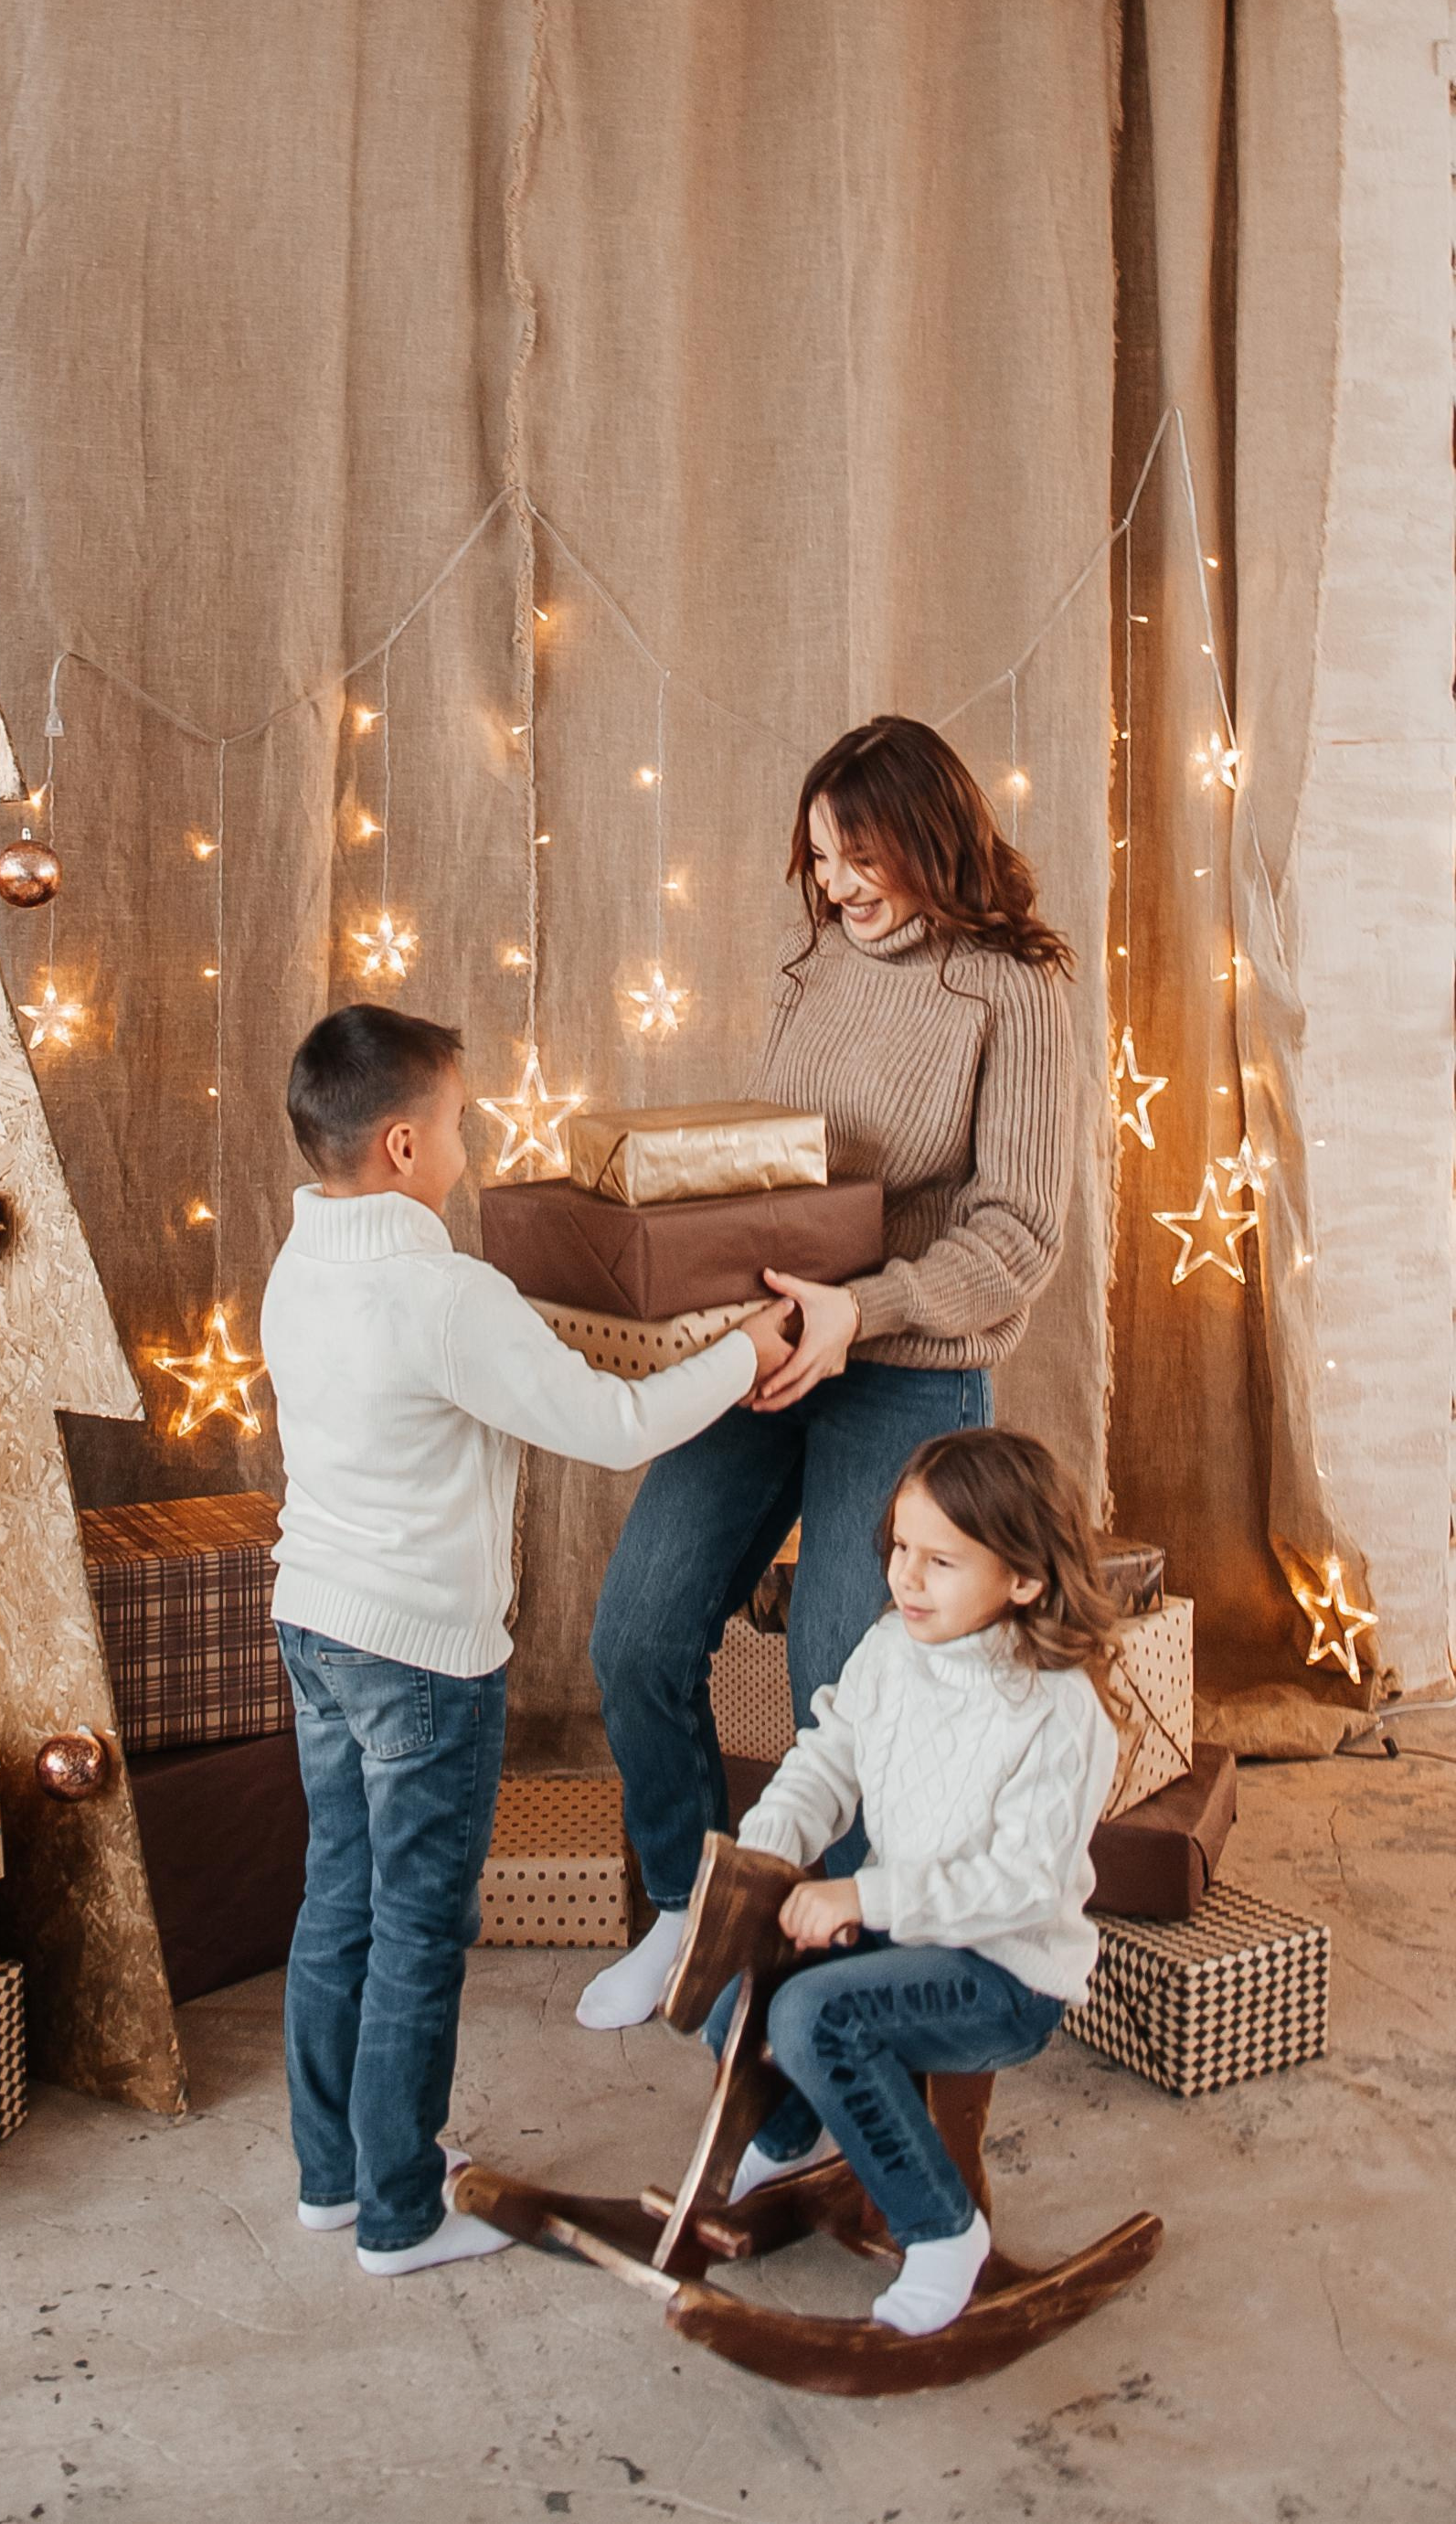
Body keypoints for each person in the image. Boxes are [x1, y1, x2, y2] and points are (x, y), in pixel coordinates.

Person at [261, 1003, 794, 2277]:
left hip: (314, 1624)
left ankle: (334, 2172)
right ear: (400, 1144)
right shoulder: (445, 1293)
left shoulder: (302, 1262)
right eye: (455, 1119)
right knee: (417, 1927)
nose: (469, 1139)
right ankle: (400, 2208)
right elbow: (613, 1426)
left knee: (338, 1898)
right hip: (423, 1658)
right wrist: (744, 1351)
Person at [580, 715, 1077, 2031]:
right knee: (635, 1631)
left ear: (931, 838)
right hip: (774, 1343)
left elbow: (1022, 1231)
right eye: (820, 858)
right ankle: (692, 1913)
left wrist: (862, 1314)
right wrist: (734, 1308)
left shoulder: (1012, 989)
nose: (840, 886)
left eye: (861, 856)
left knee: (841, 1680)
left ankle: (834, 1988)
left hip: (907, 1363)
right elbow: (777, 1172)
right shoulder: (814, 970)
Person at [720, 1428, 1122, 2336]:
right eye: (900, 1549)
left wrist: (863, 1898)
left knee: (812, 2016)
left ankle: (943, 2232)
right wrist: (767, 1850)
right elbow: (829, 1763)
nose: (905, 1578)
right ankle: (786, 2148)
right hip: (908, 1934)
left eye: (940, 1561)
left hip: (1002, 1972)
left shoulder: (1059, 1712)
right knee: (739, 1989)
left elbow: (1021, 1883)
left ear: (1023, 1578)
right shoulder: (891, 1651)